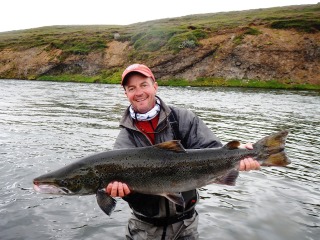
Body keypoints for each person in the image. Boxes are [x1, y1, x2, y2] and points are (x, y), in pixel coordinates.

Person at [106, 64, 260, 240]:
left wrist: (239, 155)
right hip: (144, 229)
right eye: (131, 88)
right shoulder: (124, 140)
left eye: (143, 85)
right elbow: (134, 193)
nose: (139, 92)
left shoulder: (183, 119)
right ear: (126, 93)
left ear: (155, 86)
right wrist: (125, 194)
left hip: (186, 226)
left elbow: (213, 151)